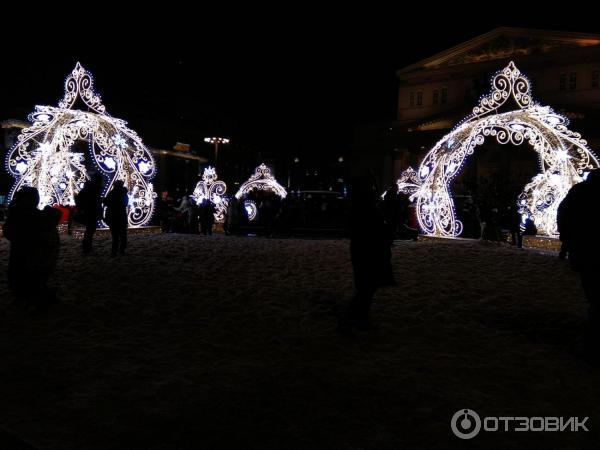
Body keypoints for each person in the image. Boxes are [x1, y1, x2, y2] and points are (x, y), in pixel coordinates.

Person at [340, 175, 394, 333]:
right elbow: (372, 229)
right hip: (368, 250)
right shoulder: (365, 209)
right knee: (367, 287)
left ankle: (357, 318)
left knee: (367, 286)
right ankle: (356, 318)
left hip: (365, 249)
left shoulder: (360, 207)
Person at [557, 170, 600, 362]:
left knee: (594, 295)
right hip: (587, 249)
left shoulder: (579, 193)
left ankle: (591, 341)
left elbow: (564, 215)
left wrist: (566, 241)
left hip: (584, 250)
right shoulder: (581, 194)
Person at [3, 187, 61, 309]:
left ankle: (25, 293)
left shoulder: (17, 211)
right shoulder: (26, 213)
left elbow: (8, 232)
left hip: (24, 250)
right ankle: (30, 295)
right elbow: (49, 221)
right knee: (29, 272)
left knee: (23, 272)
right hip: (30, 251)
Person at [76, 173, 104, 254]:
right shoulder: (91, 189)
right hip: (90, 211)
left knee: (90, 230)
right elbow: (82, 199)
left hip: (91, 211)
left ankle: (88, 247)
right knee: (90, 230)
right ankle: (86, 248)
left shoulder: (92, 188)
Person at [103, 180, 129, 257]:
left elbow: (107, 203)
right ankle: (121, 250)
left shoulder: (111, 193)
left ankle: (115, 251)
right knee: (122, 234)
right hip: (121, 216)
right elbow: (125, 203)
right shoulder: (123, 193)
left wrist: (105, 201)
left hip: (113, 216)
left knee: (115, 236)